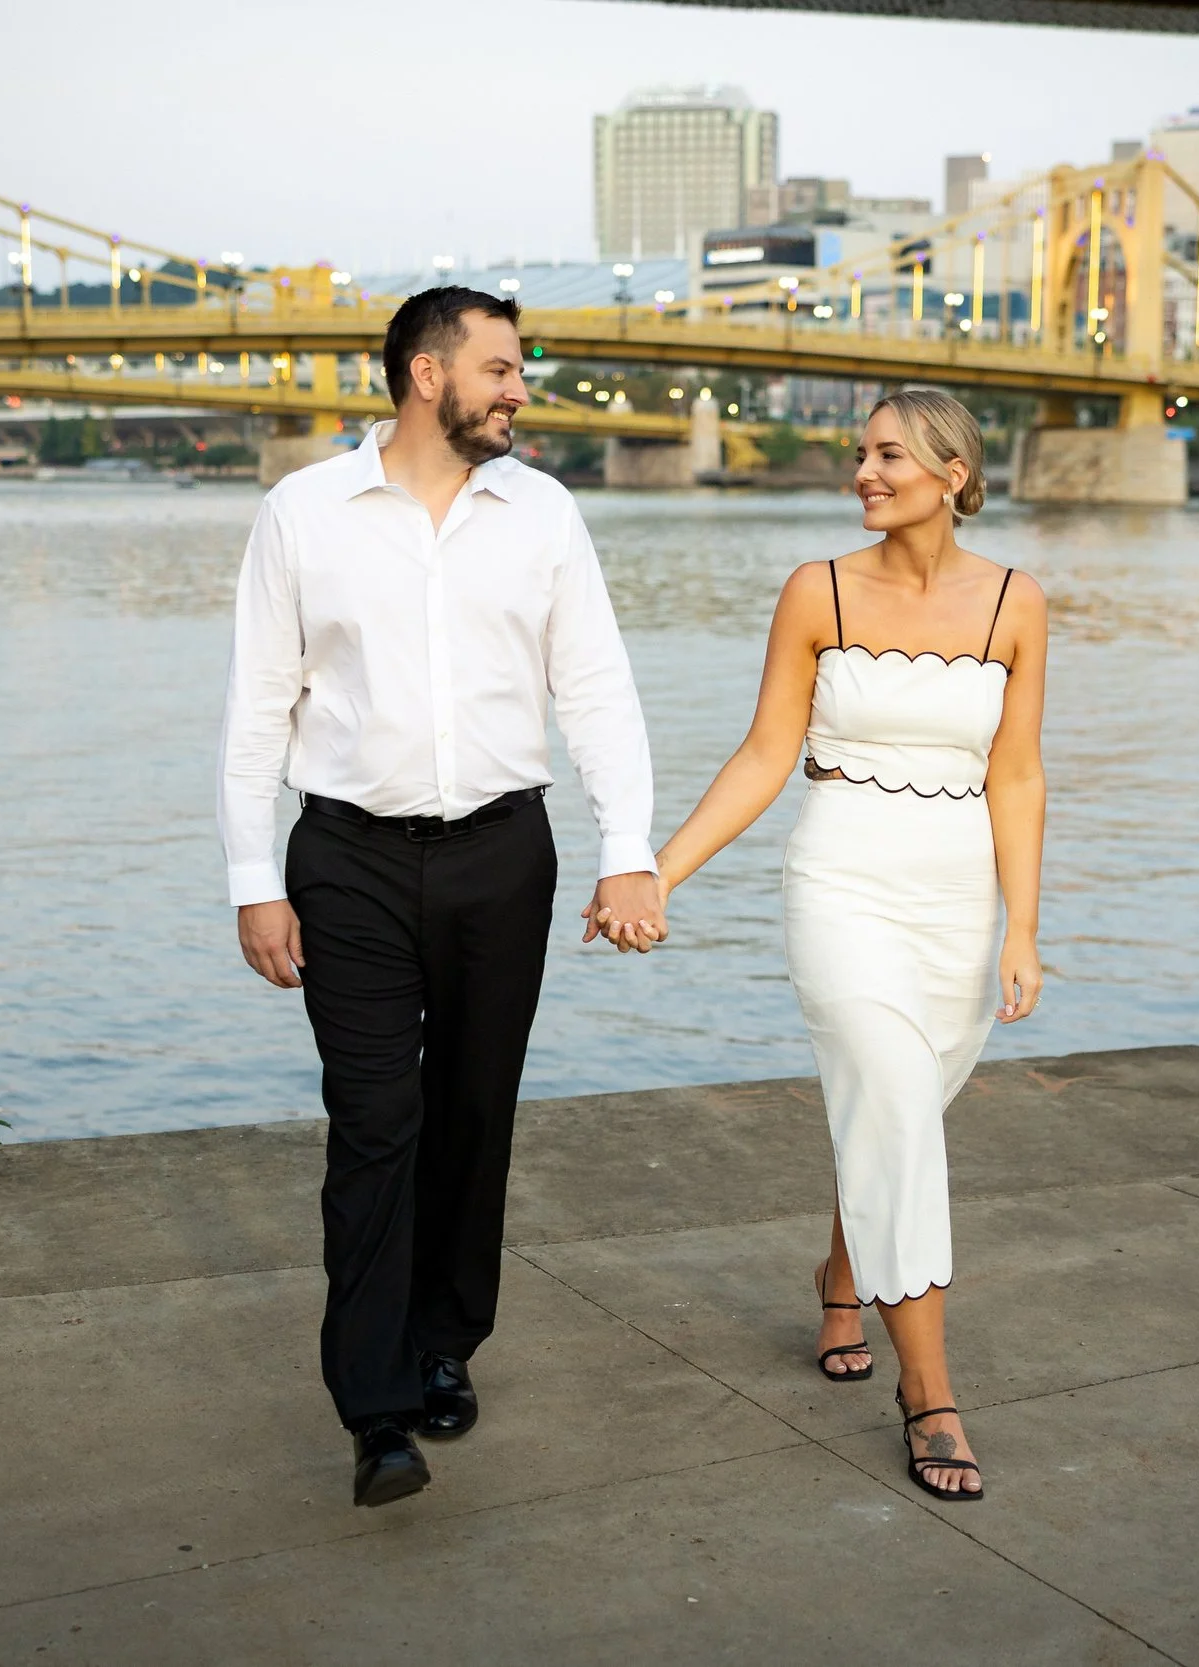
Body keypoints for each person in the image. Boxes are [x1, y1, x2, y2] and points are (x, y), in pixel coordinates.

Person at [219, 286, 665, 1509]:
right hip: (347, 858)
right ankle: (375, 1408)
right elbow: (261, 704)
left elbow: (597, 689)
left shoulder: (545, 514)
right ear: (428, 374)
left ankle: (443, 1344)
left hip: (500, 856)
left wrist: (627, 845)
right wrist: (253, 876)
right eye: (503, 369)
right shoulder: (302, 513)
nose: (521, 389)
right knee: (375, 1122)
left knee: (474, 1111)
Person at [640, 389, 1047, 1502]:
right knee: (893, 1102)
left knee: (898, 1109)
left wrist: (1021, 925)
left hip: (958, 903)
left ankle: (840, 1270)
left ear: (953, 471)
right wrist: (656, 870)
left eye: (886, 454)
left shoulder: (1016, 603)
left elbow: (1015, 771)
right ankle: (931, 1393)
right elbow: (767, 751)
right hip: (842, 886)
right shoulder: (813, 591)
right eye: (858, 453)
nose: (862, 473)